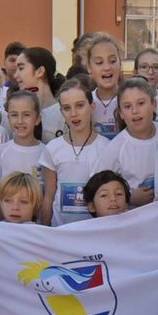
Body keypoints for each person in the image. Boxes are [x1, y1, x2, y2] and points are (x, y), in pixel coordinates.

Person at [39, 79, 113, 226]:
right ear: (61, 112)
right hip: (61, 231)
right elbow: (49, 197)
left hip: (94, 231)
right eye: (66, 108)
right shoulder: (53, 149)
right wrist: (46, 232)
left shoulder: (106, 148)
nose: (73, 113)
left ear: (92, 107)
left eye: (80, 105)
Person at [109, 78, 158, 206]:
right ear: (120, 113)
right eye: (127, 106)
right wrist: (128, 195)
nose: (134, 111)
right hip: (134, 219)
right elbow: (98, 185)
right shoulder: (116, 147)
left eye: (141, 103)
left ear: (154, 104)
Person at [0, 89, 45, 193]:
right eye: (14, 115)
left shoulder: (46, 152)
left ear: (37, 119)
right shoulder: (1, 151)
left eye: (26, 115)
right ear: (8, 118)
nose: (20, 121)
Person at [83, 35, 123, 139]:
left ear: (120, 62)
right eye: (99, 62)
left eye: (113, 61)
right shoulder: (84, 103)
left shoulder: (131, 101)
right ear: (89, 67)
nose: (107, 67)